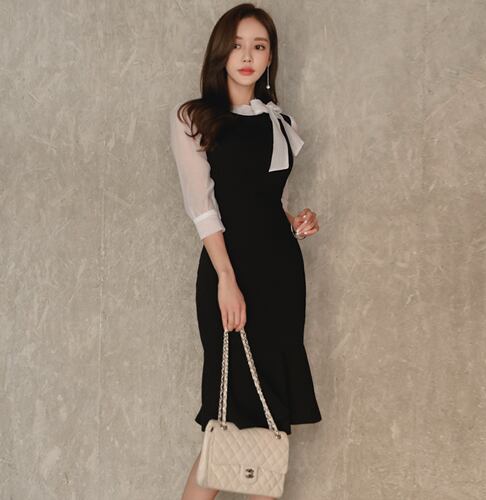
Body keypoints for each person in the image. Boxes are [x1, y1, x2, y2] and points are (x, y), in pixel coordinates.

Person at [170, 3, 322, 499]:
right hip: (228, 273)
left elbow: (263, 199)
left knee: (270, 418)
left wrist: (295, 222)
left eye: (259, 46)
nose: (248, 56)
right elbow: (204, 207)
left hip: (280, 277)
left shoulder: (279, 120)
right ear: (221, 51)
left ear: (270, 56)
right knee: (228, 416)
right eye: (237, 45)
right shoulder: (193, 117)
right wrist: (226, 280)